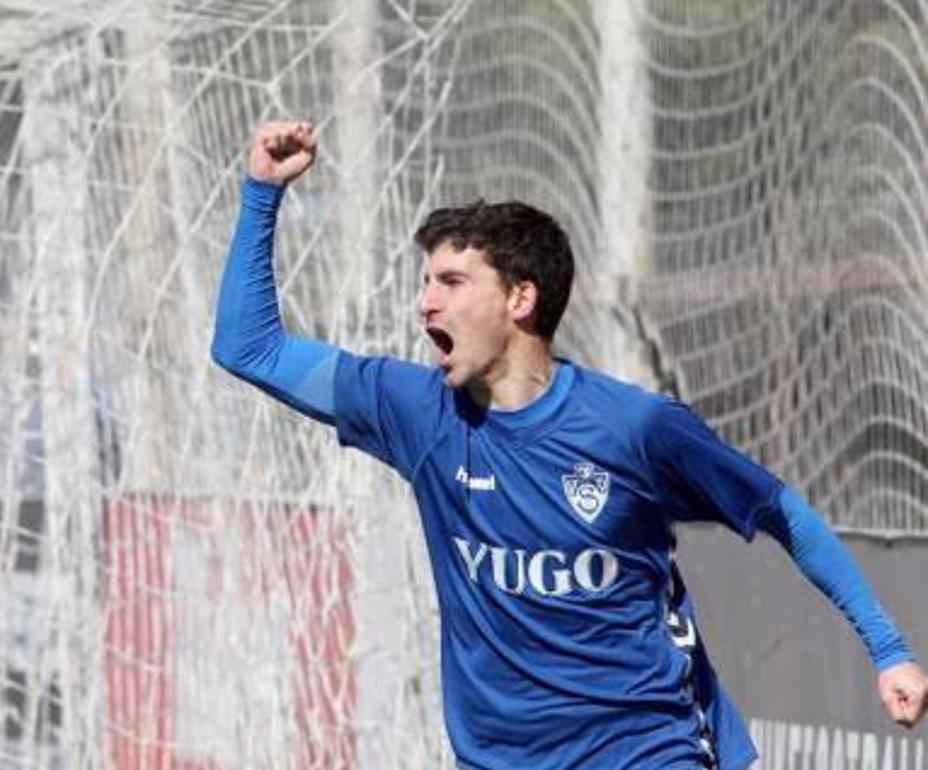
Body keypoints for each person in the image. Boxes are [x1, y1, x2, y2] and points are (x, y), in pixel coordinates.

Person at [210, 122, 927, 770]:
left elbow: (782, 514)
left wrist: (888, 649)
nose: (426, 302)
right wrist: (262, 193)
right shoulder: (415, 411)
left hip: (648, 749)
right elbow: (250, 348)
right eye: (426, 282)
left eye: (453, 282)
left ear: (521, 300)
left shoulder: (637, 429)